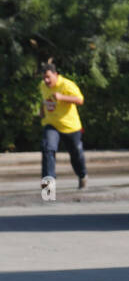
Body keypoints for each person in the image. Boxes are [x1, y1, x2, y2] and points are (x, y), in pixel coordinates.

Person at [38, 61, 87, 191]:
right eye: (44, 78)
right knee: (48, 149)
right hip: (51, 124)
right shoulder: (43, 86)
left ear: (56, 74)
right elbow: (44, 100)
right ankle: (48, 187)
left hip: (70, 127)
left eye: (48, 77)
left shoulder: (67, 85)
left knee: (76, 154)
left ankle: (82, 175)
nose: (46, 80)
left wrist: (62, 97)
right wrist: (42, 110)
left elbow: (80, 100)